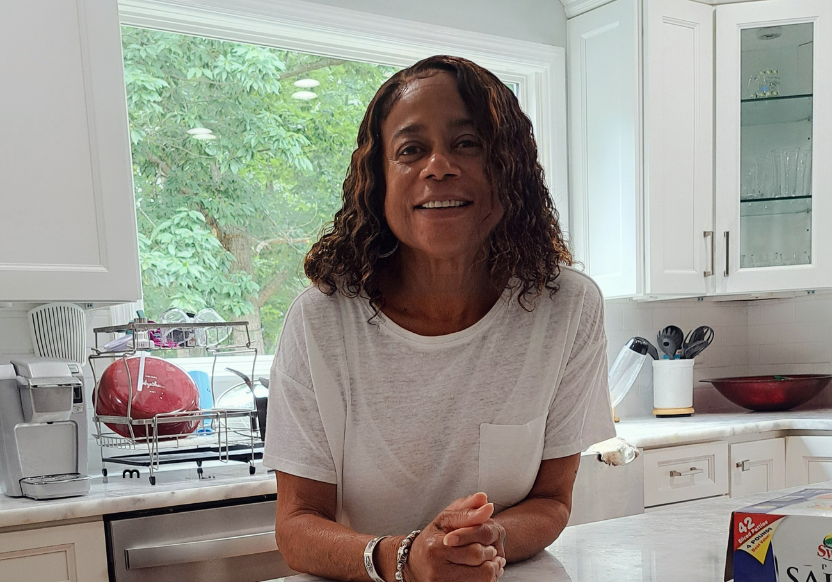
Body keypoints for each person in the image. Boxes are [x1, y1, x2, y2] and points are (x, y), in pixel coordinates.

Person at [263, 55, 616, 582]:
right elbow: (296, 525)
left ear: (509, 167)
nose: (438, 166)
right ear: (379, 181)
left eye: (467, 143)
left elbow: (551, 500)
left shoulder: (568, 309)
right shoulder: (320, 322)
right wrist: (408, 559)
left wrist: (488, 540)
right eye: (410, 150)